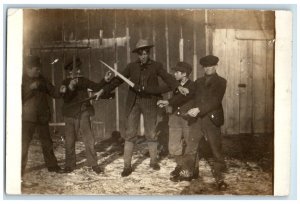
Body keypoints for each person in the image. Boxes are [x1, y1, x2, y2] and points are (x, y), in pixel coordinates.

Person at [94, 39, 188, 177]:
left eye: (146, 53)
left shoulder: (156, 66)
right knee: (130, 133)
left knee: (151, 133)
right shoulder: (131, 67)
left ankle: (153, 161)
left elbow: (167, 77)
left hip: (150, 102)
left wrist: (177, 86)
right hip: (134, 102)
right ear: (137, 54)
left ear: (148, 53)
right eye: (141, 53)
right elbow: (118, 80)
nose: (143, 56)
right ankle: (127, 166)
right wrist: (103, 90)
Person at [58, 57, 113, 174]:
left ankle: (93, 164)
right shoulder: (64, 83)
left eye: (78, 69)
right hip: (69, 115)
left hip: (83, 113)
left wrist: (105, 79)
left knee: (89, 139)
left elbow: (97, 87)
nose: (78, 72)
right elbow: (65, 98)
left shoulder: (83, 81)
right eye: (75, 70)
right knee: (69, 141)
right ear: (69, 72)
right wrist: (71, 87)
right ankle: (69, 165)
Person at [187, 55, 228, 190]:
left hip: (211, 118)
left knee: (216, 149)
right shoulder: (198, 81)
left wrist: (198, 109)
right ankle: (190, 172)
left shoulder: (221, 82)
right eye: (205, 66)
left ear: (216, 66)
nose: (208, 68)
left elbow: (215, 101)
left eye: (211, 66)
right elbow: (190, 95)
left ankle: (219, 177)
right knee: (192, 146)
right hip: (198, 119)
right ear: (203, 67)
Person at [22, 55, 63, 187]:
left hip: (42, 116)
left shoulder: (42, 79)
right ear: (28, 68)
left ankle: (52, 166)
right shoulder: (20, 79)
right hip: (27, 118)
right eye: (36, 69)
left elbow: (53, 92)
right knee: (24, 145)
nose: (39, 71)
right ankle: (19, 172)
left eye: (39, 69)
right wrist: (30, 88)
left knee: (47, 142)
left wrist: (62, 91)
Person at [156, 61, 198, 182]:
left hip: (188, 118)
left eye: (177, 72)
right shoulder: (175, 85)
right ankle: (180, 166)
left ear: (184, 74)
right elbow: (158, 89)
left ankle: (192, 170)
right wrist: (141, 88)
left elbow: (182, 97)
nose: (174, 74)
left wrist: (168, 102)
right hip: (174, 118)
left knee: (191, 145)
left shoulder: (192, 85)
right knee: (174, 145)